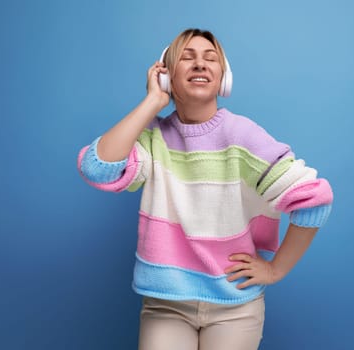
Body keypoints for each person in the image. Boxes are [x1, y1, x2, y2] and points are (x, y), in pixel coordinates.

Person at [77, 28, 333, 350]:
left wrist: (275, 269)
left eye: (210, 58)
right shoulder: (153, 138)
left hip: (235, 306)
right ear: (166, 75)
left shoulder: (244, 137)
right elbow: (96, 168)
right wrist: (152, 102)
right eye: (187, 57)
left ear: (223, 78)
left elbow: (315, 201)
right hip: (166, 305)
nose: (200, 64)